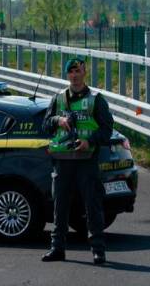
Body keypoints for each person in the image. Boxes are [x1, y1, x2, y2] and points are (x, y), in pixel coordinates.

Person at [41, 57, 113, 265]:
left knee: (92, 205)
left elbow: (107, 129)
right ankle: (57, 248)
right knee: (60, 206)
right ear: (67, 74)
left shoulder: (96, 99)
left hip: (86, 159)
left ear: (84, 73)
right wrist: (58, 120)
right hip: (62, 160)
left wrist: (89, 141)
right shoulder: (58, 98)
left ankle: (98, 250)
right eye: (71, 72)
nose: (74, 75)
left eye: (78, 71)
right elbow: (45, 125)